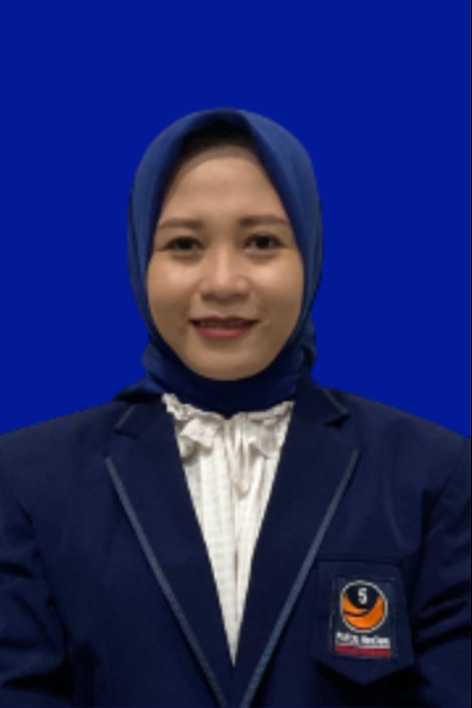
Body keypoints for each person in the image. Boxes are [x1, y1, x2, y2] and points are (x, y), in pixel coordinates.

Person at [0, 108, 469, 708]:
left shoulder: (431, 475)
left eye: (262, 242)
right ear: (141, 257)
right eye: (185, 245)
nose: (223, 282)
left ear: (311, 254)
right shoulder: (30, 479)